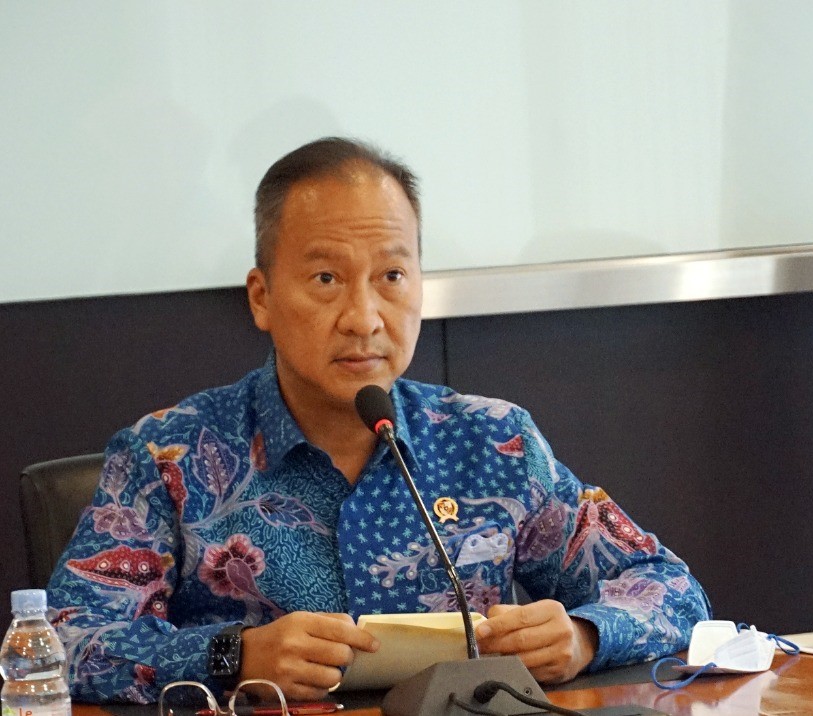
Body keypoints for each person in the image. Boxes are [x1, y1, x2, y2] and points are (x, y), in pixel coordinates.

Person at [46, 137, 712, 703]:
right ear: (262, 297)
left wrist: (583, 635)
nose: (364, 318)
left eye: (391, 276)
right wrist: (234, 656)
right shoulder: (168, 455)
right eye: (327, 279)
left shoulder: (494, 442)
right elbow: (64, 641)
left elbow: (672, 589)